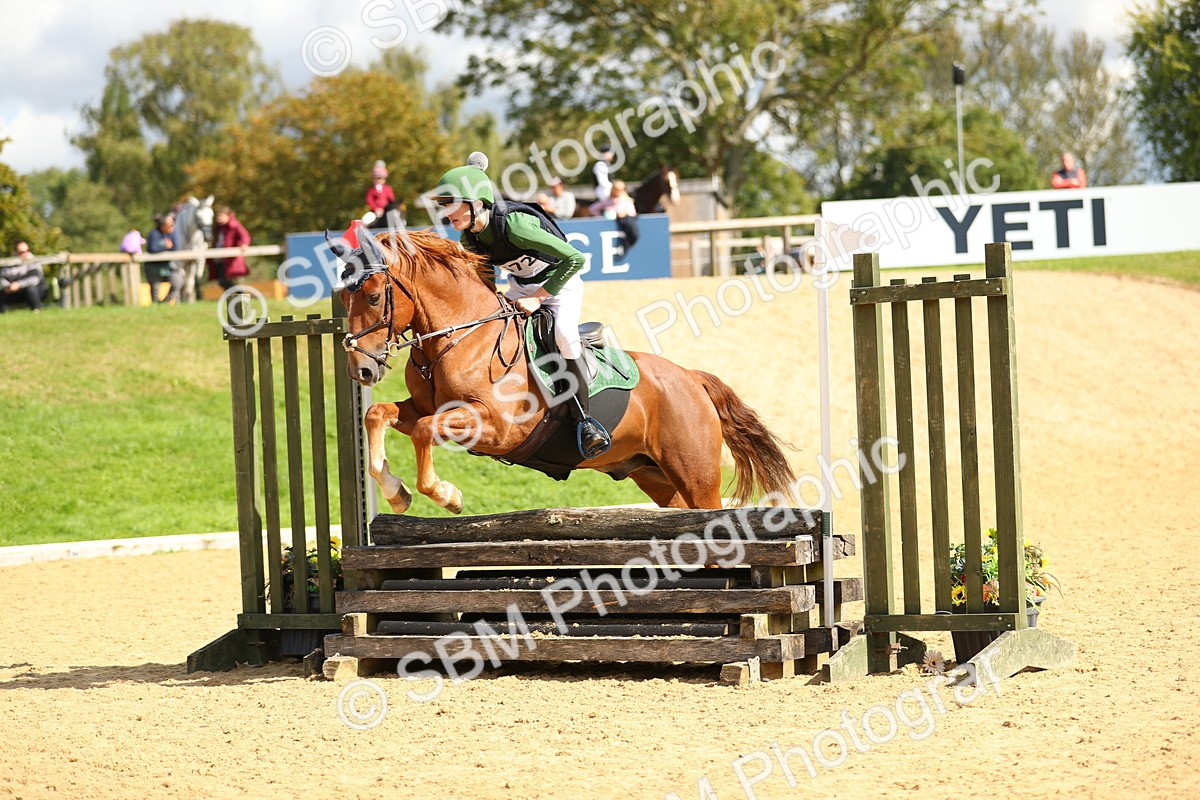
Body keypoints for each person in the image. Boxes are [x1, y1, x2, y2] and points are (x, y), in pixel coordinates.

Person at [430, 152, 612, 458]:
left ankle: (585, 420)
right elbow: (486, 279)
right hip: (520, 288)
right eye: (443, 205)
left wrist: (539, 297)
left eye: (451, 204)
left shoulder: (514, 225)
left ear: (476, 203)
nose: (446, 212)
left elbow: (574, 259)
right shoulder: (471, 237)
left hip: (560, 283)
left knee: (564, 335)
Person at [588, 179, 640, 251]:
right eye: (617, 189)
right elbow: (592, 209)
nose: (619, 191)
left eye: (621, 189)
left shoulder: (627, 201)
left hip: (623, 226)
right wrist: (601, 217)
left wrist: (624, 214)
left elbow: (632, 213)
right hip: (608, 228)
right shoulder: (607, 201)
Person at [0, 242, 50, 313]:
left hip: (37, 290)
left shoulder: (33, 260)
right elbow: (2, 277)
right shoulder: (9, 262)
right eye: (22, 252)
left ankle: (36, 311)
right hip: (15, 291)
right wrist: (7, 286)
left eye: (27, 251)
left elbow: (35, 279)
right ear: (15, 252)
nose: (25, 253)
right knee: (2, 293)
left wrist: (19, 284)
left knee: (30, 289)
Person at [145, 214, 184, 304]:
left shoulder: (171, 233)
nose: (172, 227)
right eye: (170, 225)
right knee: (155, 290)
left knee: (177, 282)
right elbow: (153, 249)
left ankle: (165, 302)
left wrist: (167, 247)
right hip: (153, 267)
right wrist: (166, 247)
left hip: (168, 266)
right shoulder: (154, 234)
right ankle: (155, 306)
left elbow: (176, 247)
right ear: (163, 226)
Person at [211, 206, 251, 290]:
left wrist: (243, 244)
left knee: (228, 280)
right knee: (222, 281)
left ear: (228, 216)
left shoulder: (234, 225)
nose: (218, 219)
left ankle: (241, 294)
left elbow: (244, 236)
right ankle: (236, 295)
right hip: (220, 258)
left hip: (230, 259)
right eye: (218, 216)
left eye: (221, 216)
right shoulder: (218, 228)